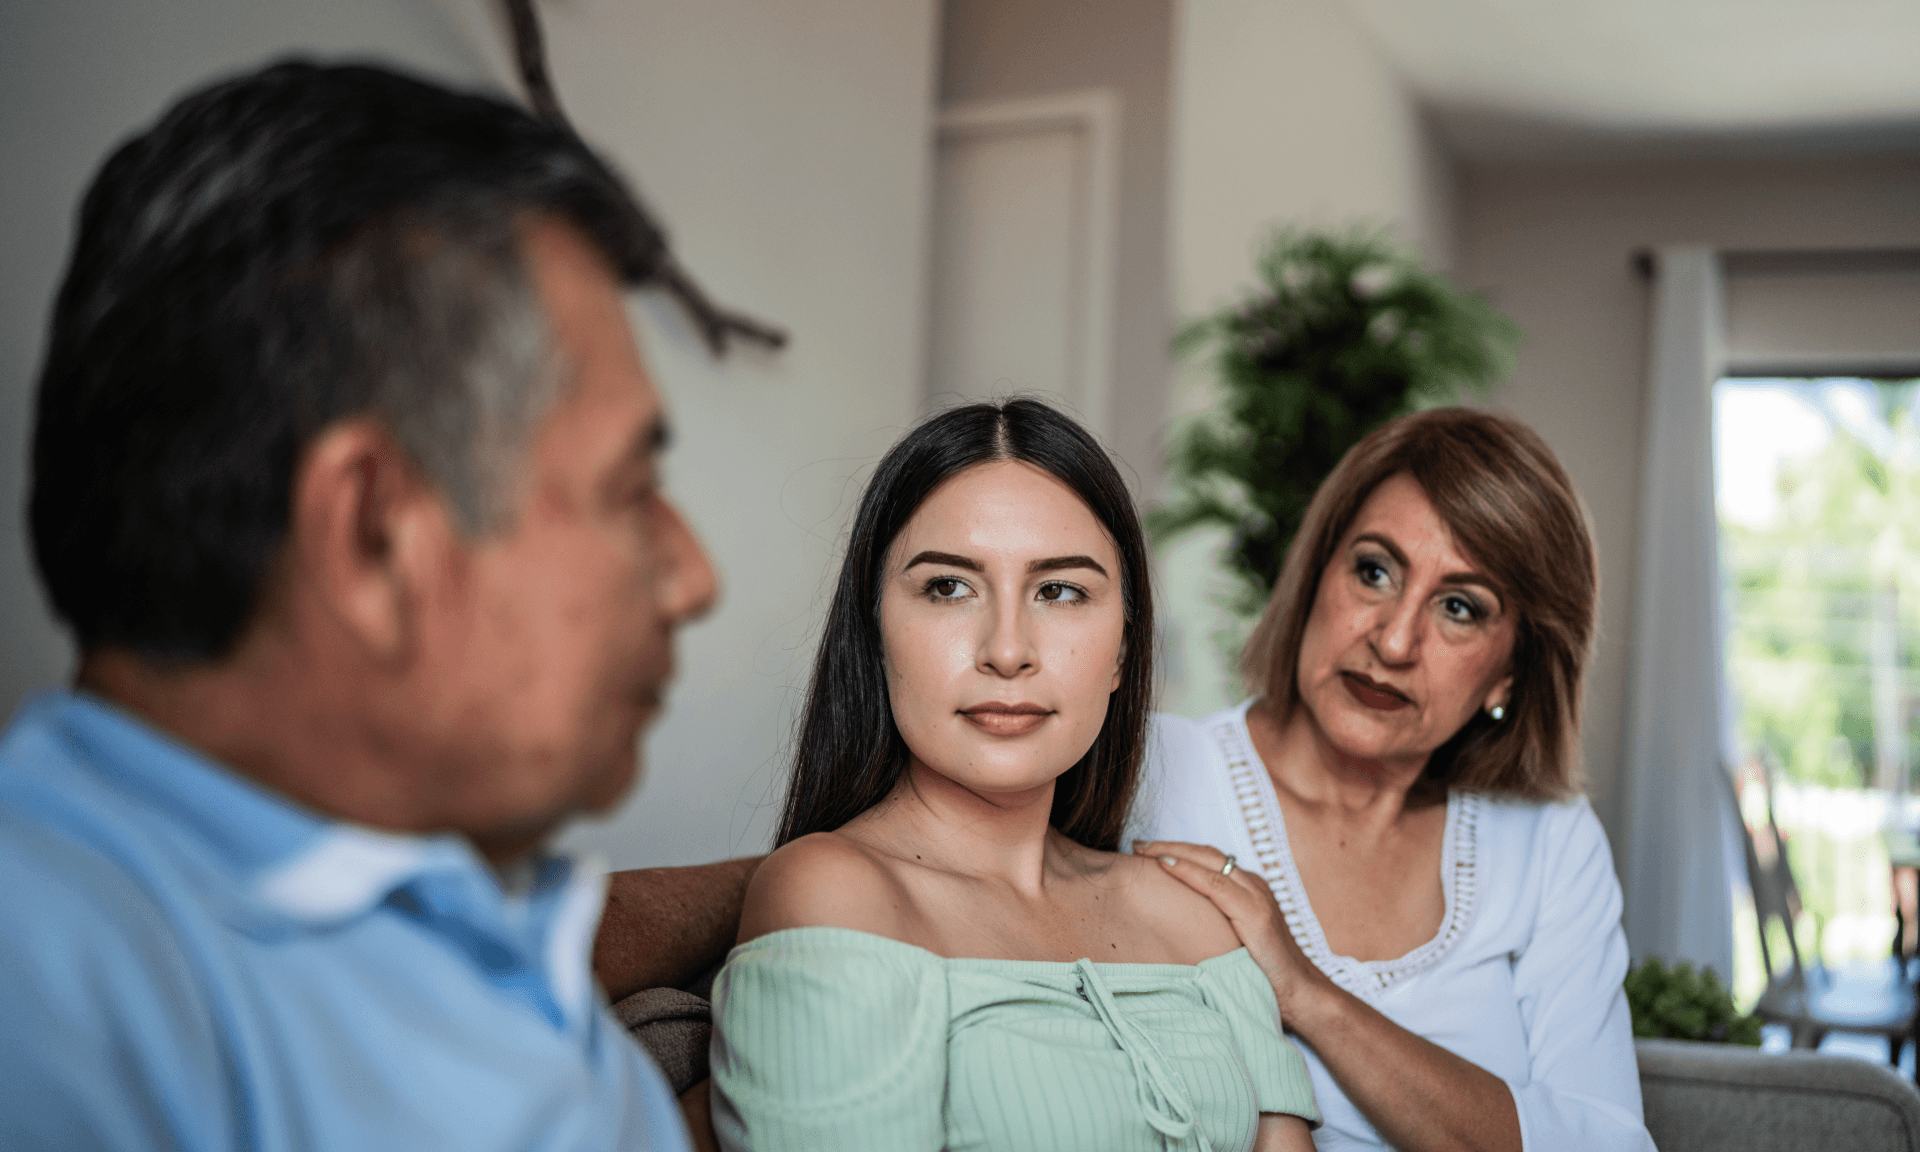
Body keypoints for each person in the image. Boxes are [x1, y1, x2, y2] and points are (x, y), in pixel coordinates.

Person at [0, 60, 731, 1150]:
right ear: (373, 534)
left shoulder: (478, 909)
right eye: (632, 493)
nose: (694, 577)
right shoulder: (50, 988)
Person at [709, 399, 1322, 1152]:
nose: (1007, 649)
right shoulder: (835, 891)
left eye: (1060, 591)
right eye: (949, 588)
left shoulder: (1190, 917)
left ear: (1125, 652)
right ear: (874, 635)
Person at [1134, 408, 1656, 1151]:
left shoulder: (1550, 843)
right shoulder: (1155, 772)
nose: (1394, 639)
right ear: (1317, 572)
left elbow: (1609, 1145)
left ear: (1511, 670)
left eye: (1459, 608)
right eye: (1374, 571)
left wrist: (1310, 997)